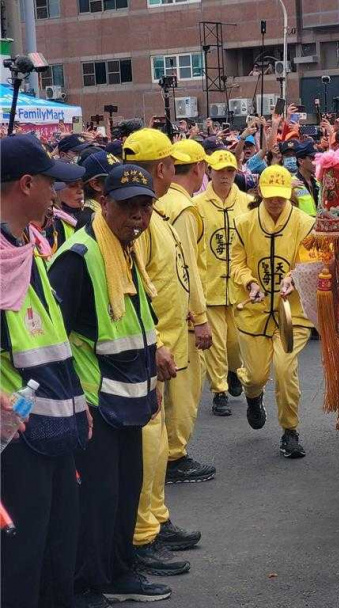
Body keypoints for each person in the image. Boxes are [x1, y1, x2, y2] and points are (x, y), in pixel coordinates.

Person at [49, 164, 173, 605]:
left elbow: (137, 317)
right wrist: (72, 401)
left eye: (145, 205)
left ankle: (119, 572)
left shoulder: (126, 249)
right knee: (97, 501)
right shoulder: (80, 257)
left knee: (123, 495)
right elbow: (55, 336)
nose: (138, 216)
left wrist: (155, 354)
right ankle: (88, 583)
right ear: (104, 204)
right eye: (128, 206)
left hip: (129, 396)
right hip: (94, 402)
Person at [0, 135, 90, 608]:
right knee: (22, 557)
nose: (57, 192)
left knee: (59, 543)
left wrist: (76, 402)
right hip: (17, 434)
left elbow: (53, 338)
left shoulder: (25, 246)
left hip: (56, 422)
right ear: (27, 184)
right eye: (51, 182)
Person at [122, 129, 203, 576]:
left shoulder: (152, 217)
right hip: (151, 351)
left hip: (163, 347)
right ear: (164, 168)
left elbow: (176, 277)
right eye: (172, 162)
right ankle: (143, 534)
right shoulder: (138, 221)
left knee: (156, 445)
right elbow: (135, 294)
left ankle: (156, 521)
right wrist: (157, 344)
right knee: (150, 447)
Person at [231, 165, 315, 458]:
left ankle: (290, 431)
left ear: (290, 194)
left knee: (284, 368)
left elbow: (311, 261)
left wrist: (295, 276)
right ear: (260, 194)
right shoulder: (244, 224)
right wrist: (249, 282)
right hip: (254, 311)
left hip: (291, 313)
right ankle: (253, 397)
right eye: (270, 197)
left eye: (281, 196)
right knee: (255, 377)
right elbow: (236, 263)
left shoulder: (305, 223)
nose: (276, 202)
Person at [157, 138, 216, 484]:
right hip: (183, 312)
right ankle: (174, 455)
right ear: (199, 168)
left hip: (172, 309)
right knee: (184, 389)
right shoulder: (182, 209)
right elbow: (187, 268)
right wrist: (201, 316)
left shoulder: (165, 202)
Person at [193, 149, 252, 416]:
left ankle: (233, 370)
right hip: (211, 283)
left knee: (236, 341)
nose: (225, 177)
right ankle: (219, 390)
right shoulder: (197, 206)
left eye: (230, 171)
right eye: (220, 171)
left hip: (240, 286)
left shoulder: (248, 203)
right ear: (210, 172)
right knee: (215, 342)